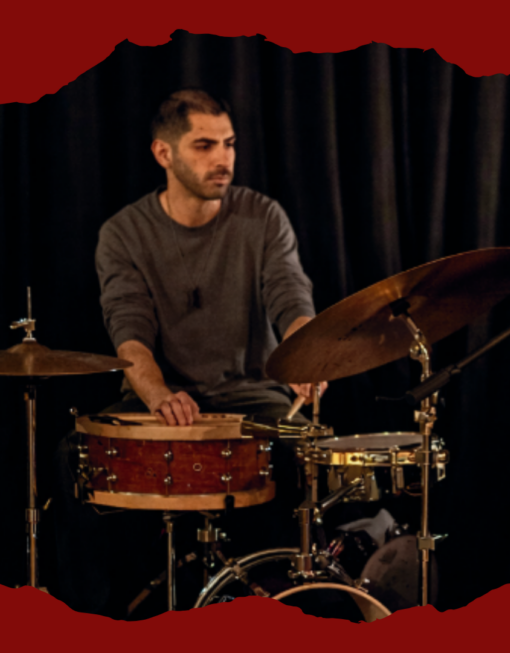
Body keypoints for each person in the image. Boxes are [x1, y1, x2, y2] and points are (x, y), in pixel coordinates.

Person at [53, 89, 325, 617]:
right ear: (164, 153)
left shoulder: (262, 216)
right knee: (74, 457)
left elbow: (291, 298)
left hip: (251, 397)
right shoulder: (124, 233)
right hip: (160, 400)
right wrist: (159, 395)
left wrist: (307, 355)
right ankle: (93, 618)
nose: (223, 158)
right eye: (204, 145)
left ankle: (288, 607)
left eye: (229, 143)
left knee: (302, 452)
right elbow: (128, 330)